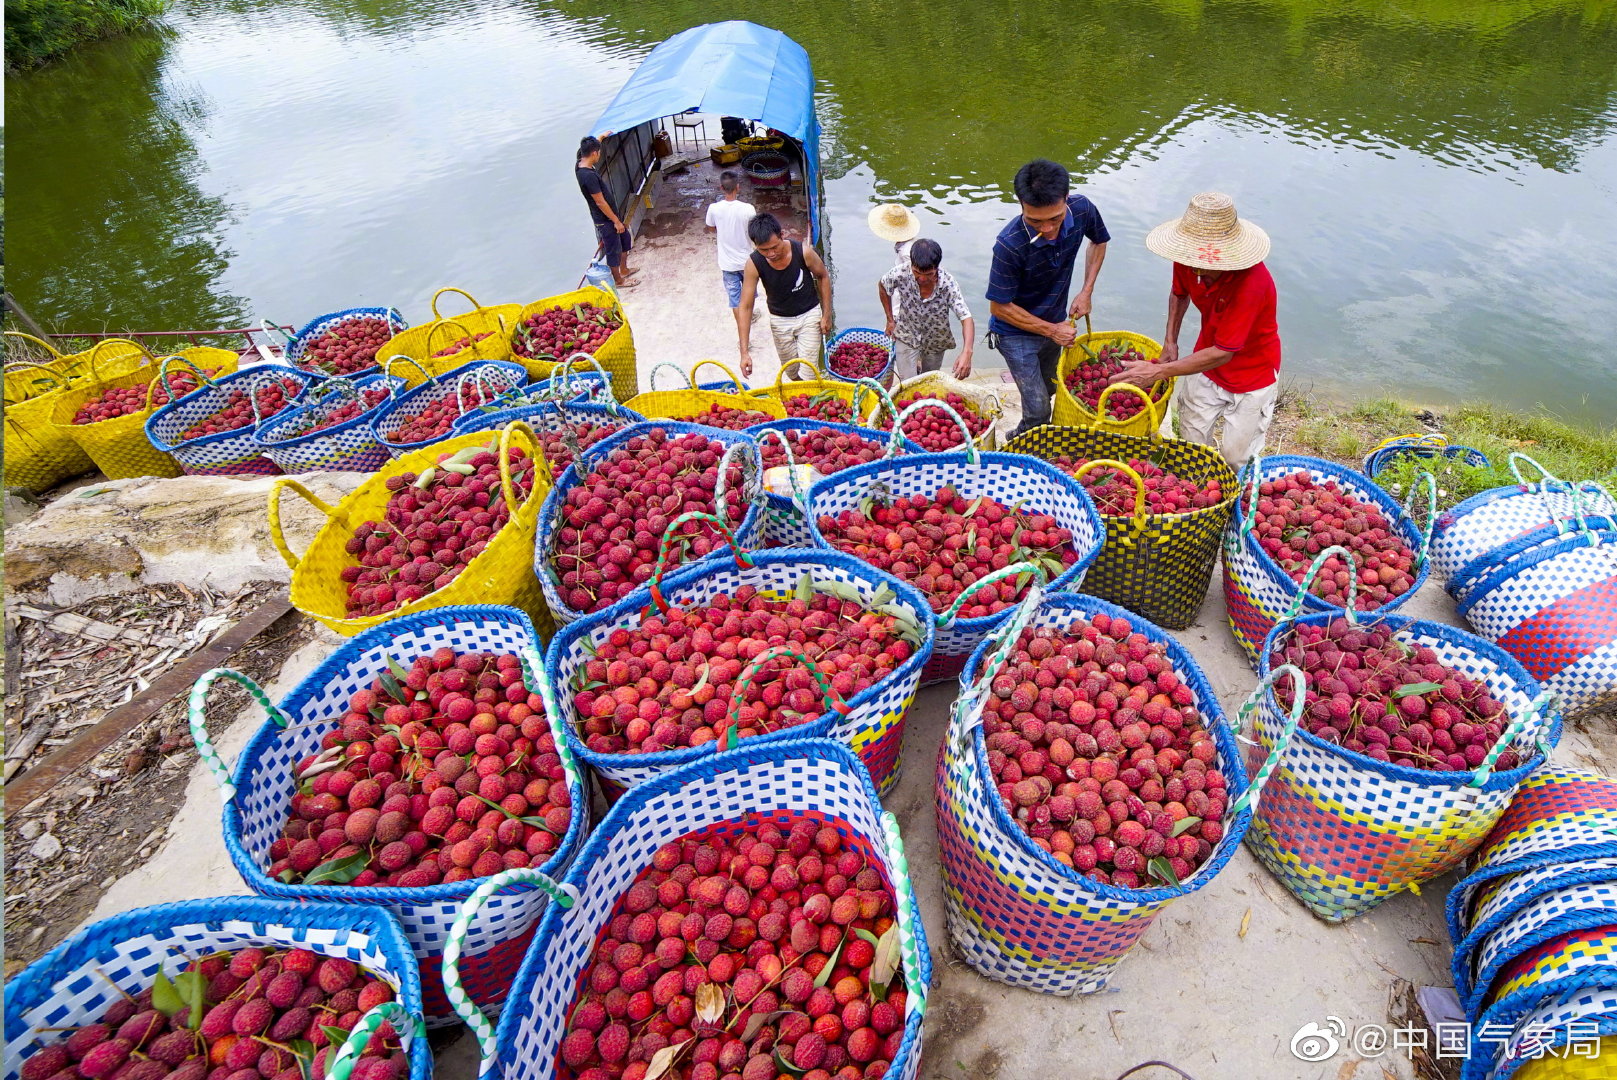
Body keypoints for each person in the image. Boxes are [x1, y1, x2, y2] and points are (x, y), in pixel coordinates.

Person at [1109, 192, 1280, 468]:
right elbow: (1179, 294)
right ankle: (1198, 488)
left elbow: (1224, 352)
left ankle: (1234, 499)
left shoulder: (1253, 283)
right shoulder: (1188, 260)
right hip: (1207, 362)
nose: (1195, 267)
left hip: (1252, 373)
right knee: (1190, 442)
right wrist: (1170, 342)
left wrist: (1158, 371)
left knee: (1236, 457)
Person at [986, 159, 1110, 435]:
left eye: (1055, 218)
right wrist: (1052, 330)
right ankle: (1022, 443)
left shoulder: (1082, 210)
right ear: (1021, 206)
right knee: (1039, 407)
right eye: (1035, 221)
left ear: (1067, 199)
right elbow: (999, 307)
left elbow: (1099, 241)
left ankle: (1024, 434)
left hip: (1055, 322)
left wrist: (1086, 290)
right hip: (1015, 333)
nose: (1047, 229)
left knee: (1050, 387)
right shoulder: (1009, 245)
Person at [736, 213, 832, 378]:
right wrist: (744, 353)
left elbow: (823, 276)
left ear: (782, 235)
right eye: (764, 250)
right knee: (791, 370)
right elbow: (745, 306)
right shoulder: (753, 264)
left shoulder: (803, 253)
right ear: (755, 246)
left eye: (775, 247)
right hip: (780, 319)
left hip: (809, 314)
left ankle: (810, 393)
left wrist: (827, 314)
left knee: (809, 370)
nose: (771, 253)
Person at [878, 239, 975, 379]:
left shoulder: (947, 283)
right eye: (917, 272)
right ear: (911, 264)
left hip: (935, 339)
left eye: (929, 274)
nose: (922, 279)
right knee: (907, 383)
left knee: (928, 379)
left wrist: (967, 352)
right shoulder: (900, 273)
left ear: (937, 267)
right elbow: (882, 286)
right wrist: (890, 320)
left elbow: (966, 317)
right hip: (907, 333)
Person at [576, 135, 636, 286]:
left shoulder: (580, 162)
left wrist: (600, 138)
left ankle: (624, 269)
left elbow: (588, 148)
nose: (600, 155)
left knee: (625, 239)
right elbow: (600, 202)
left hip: (611, 215)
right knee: (613, 250)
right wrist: (615, 221)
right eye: (599, 152)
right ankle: (619, 281)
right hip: (605, 220)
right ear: (595, 153)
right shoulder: (587, 176)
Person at [704, 171, 757, 336]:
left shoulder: (714, 209)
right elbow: (754, 231)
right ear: (738, 187)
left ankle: (742, 331)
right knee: (749, 295)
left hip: (727, 264)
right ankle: (750, 315)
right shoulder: (748, 209)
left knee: (735, 300)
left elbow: (711, 228)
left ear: (721, 188)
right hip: (747, 262)